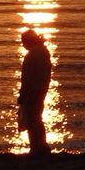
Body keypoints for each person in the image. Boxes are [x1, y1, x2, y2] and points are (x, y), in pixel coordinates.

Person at [17, 29, 52, 157]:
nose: (22, 44)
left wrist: (23, 94)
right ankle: (41, 146)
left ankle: (36, 147)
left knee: (32, 119)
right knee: (37, 118)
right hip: (42, 88)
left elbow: (27, 78)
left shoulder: (32, 55)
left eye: (23, 42)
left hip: (33, 90)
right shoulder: (43, 52)